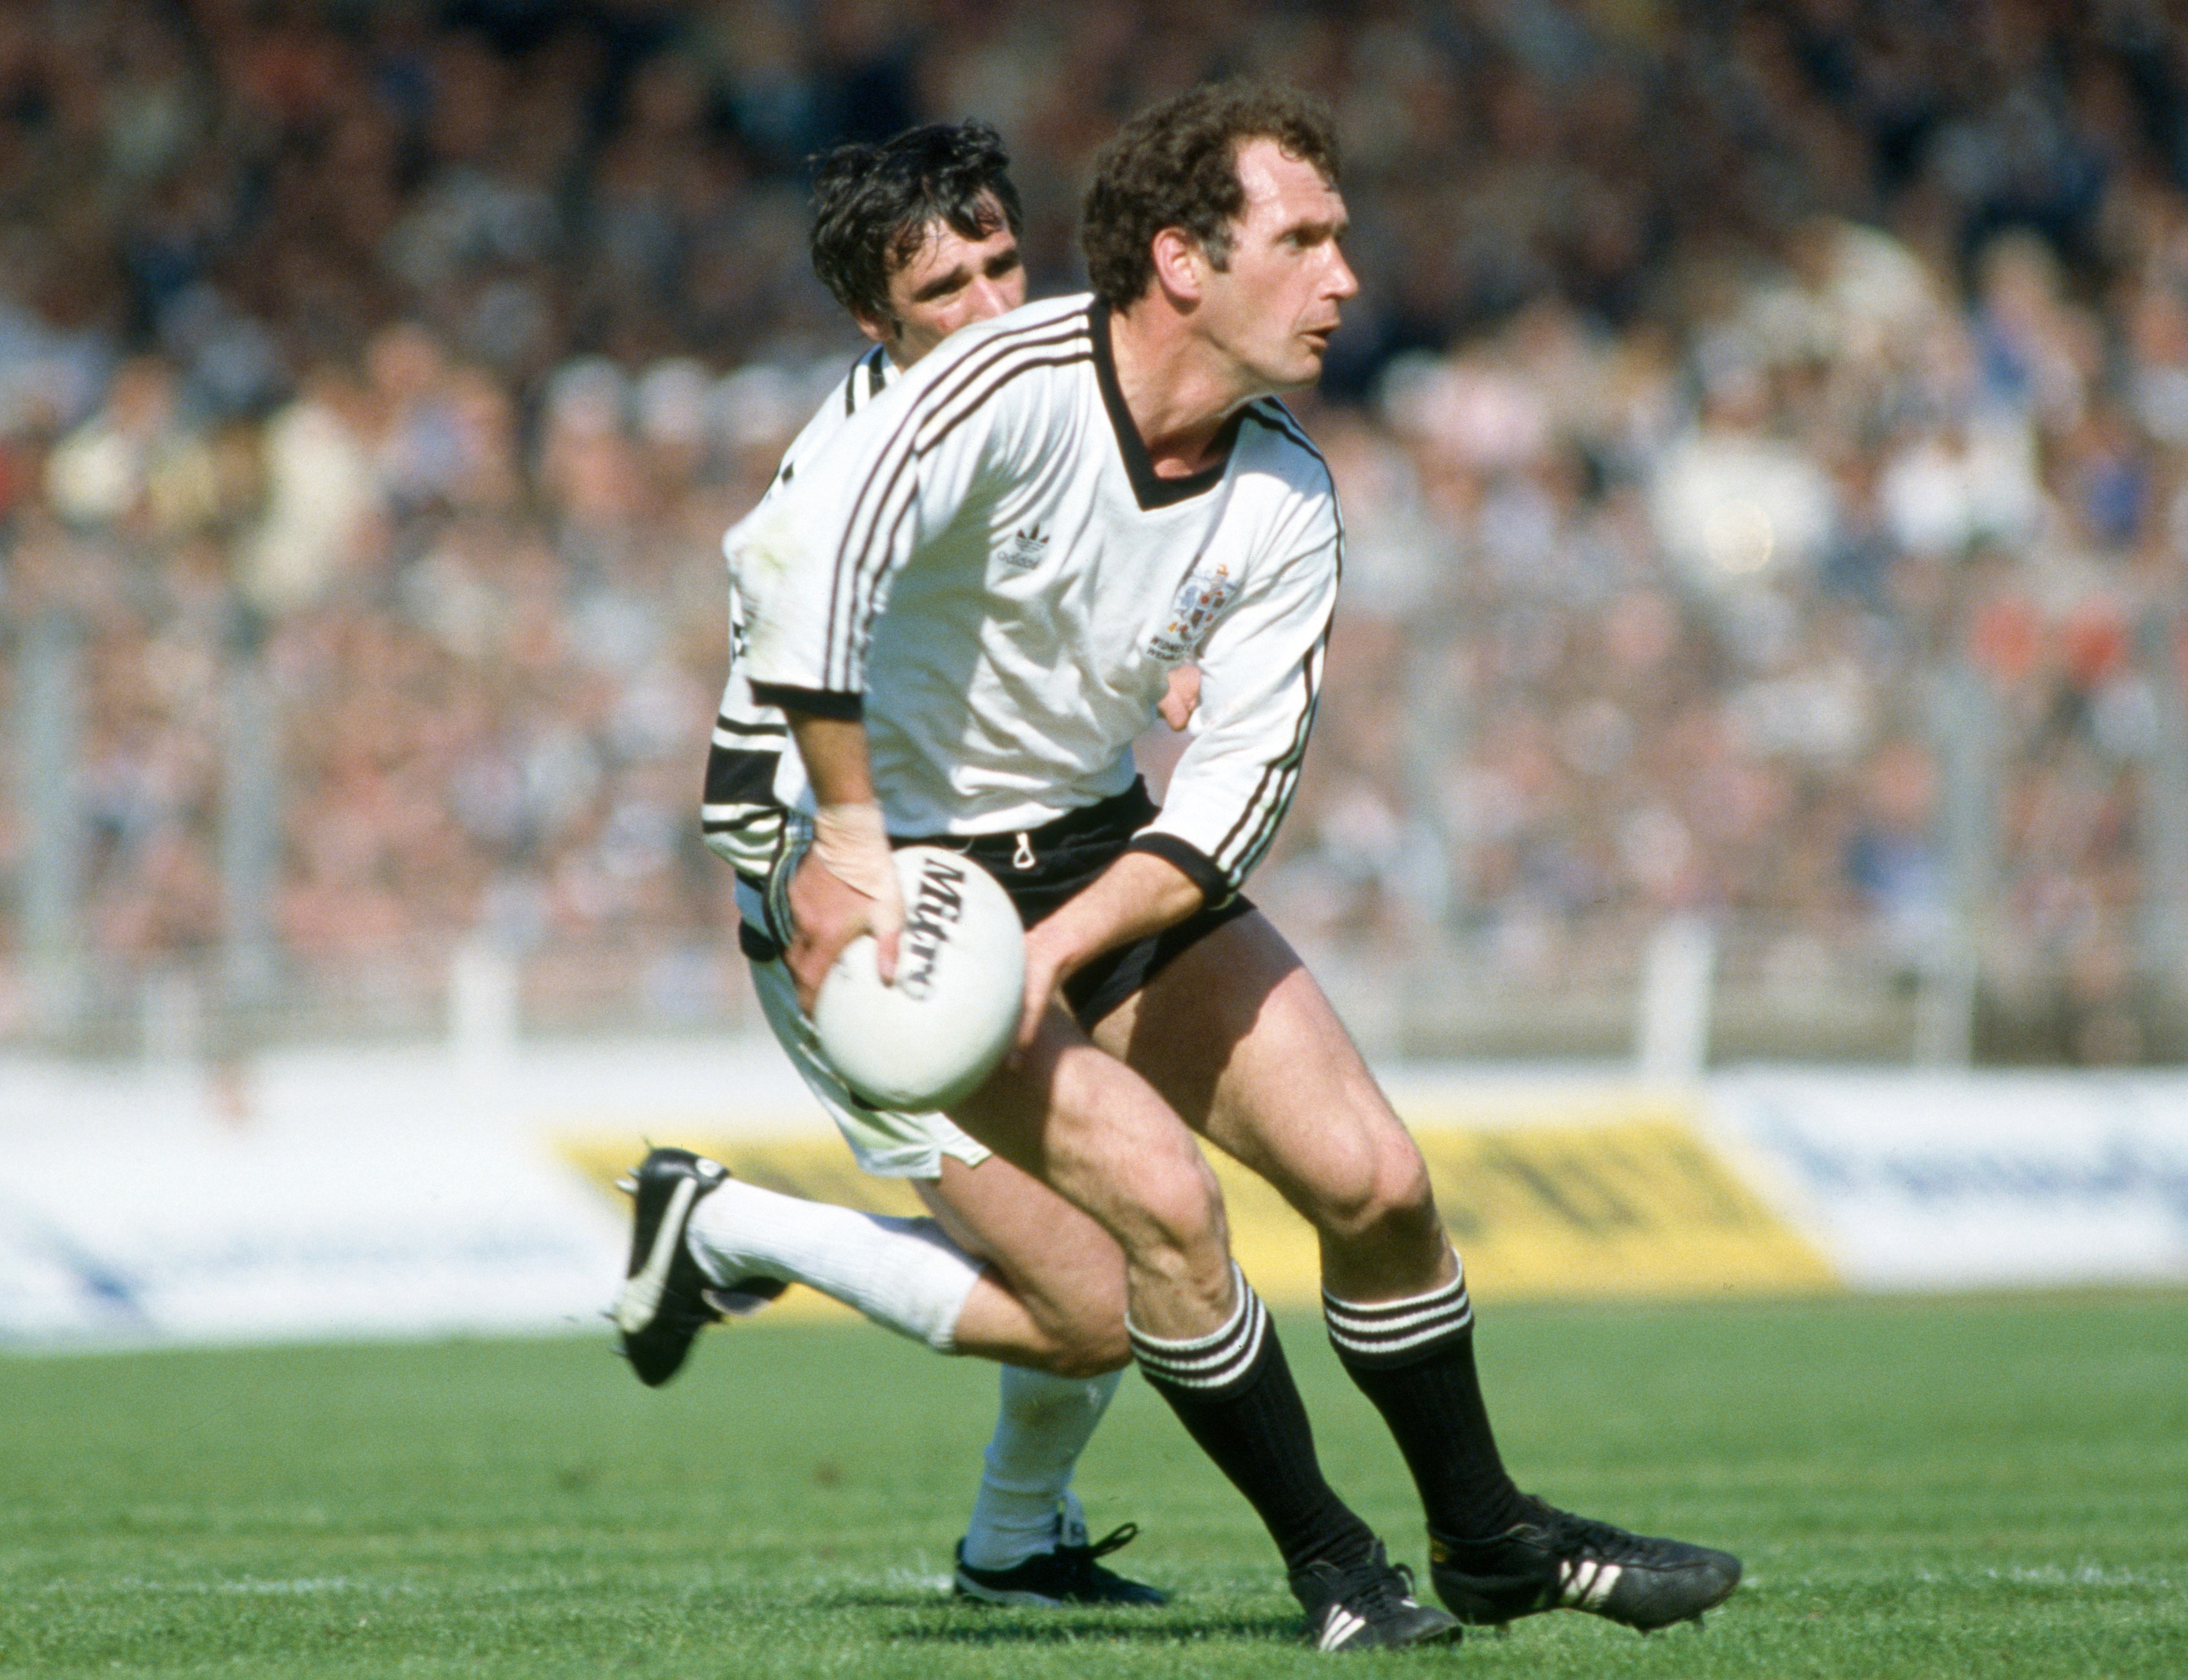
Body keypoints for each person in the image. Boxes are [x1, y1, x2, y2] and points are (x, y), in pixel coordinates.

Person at [652, 81, 1742, 1650]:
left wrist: (1063, 942)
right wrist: (830, 839)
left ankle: (1489, 1536)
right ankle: (1333, 1568)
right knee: (1150, 1224)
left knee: (1376, 1179)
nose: (1344, 276)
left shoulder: (1289, 493)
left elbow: (1225, 806)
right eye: (1305, 240)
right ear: (1183, 259)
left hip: (1093, 849)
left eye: (1339, 239)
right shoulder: (991, 389)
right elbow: (799, 569)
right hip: (916, 898)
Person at [617, 119, 1170, 1609]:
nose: (998, 307)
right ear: (876, 321)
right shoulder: (844, 479)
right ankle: (725, 1219)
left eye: (1006, 262)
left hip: (1004, 877)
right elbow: (748, 739)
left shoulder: (1060, 389)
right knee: (1102, 1305)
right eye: (948, 293)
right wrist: (797, 875)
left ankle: (1016, 1547)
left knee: (1131, 1247)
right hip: (869, 927)